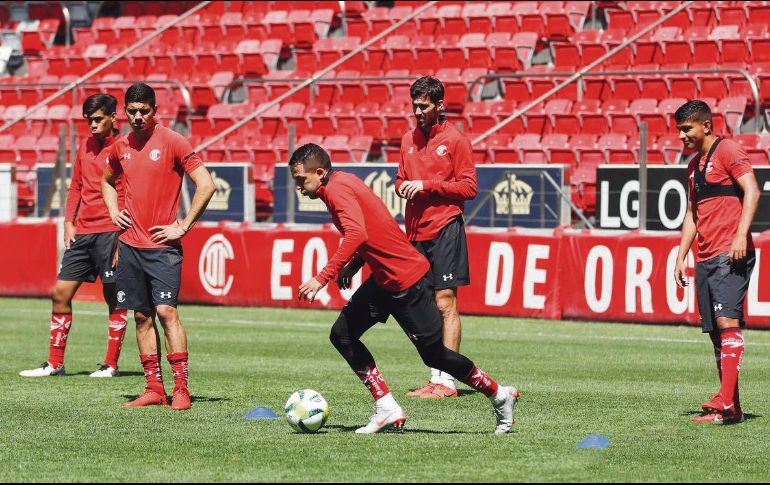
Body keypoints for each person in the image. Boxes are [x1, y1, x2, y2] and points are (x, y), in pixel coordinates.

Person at [292, 143, 519, 434]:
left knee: (435, 356)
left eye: (301, 179)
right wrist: (355, 264)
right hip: (385, 280)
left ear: (320, 173)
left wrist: (322, 277)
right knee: (342, 334)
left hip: (406, 280)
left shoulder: (336, 190)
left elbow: (358, 232)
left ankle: (500, 394)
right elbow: (375, 227)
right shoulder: (342, 182)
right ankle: (386, 406)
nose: (298, 186)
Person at [102, 83, 215, 411]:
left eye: (144, 111)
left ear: (154, 111)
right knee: (141, 316)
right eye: (132, 111)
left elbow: (206, 185)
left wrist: (183, 225)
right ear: (124, 111)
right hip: (130, 246)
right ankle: (154, 388)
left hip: (162, 248)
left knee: (166, 312)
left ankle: (181, 387)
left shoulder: (173, 142)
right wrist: (113, 211)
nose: (137, 117)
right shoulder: (119, 146)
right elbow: (106, 181)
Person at [20, 94, 128, 379]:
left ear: (113, 118)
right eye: (88, 120)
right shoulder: (85, 145)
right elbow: (76, 186)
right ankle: (55, 363)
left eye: (97, 119)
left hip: (110, 231)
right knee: (60, 293)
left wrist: (122, 235)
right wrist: (69, 222)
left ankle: (110, 364)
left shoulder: (124, 147)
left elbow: (129, 192)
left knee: (114, 297)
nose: (92, 125)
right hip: (84, 232)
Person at [673, 100, 760, 424]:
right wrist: (681, 256)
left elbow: (752, 191)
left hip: (730, 252)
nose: (682, 136)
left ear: (706, 125)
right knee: (715, 333)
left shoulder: (728, 150)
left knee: (727, 324)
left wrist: (741, 235)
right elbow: (693, 213)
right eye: (680, 130)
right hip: (706, 257)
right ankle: (731, 407)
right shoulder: (694, 166)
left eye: (686, 129)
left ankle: (724, 401)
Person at [395, 76, 478, 399]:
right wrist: (403, 186)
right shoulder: (407, 140)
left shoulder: (456, 140)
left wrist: (428, 186)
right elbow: (401, 178)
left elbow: (469, 187)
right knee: (425, 307)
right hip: (415, 232)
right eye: (415, 105)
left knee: (445, 303)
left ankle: (448, 382)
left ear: (440, 105)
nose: (418, 111)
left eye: (424, 105)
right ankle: (435, 376)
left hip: (445, 227)